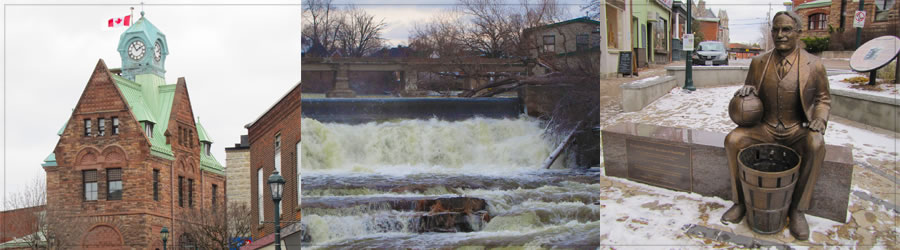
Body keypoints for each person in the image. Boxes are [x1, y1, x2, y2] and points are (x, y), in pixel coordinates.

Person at [721, 11, 831, 241]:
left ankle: (797, 210)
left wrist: (819, 119)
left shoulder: (815, 64)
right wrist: (745, 93)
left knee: (816, 144)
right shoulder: (759, 62)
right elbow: (748, 90)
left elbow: (823, 99)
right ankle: (740, 202)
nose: (780, 35)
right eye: (776, 29)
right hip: (765, 127)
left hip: (796, 128)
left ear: (798, 33)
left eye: (786, 30)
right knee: (733, 140)